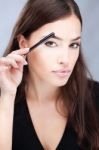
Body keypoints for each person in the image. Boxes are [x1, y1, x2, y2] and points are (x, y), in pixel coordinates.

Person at [0, 0, 99, 149]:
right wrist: (7, 96)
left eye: (74, 45)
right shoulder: (4, 97)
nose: (66, 59)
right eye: (51, 43)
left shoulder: (96, 97)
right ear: (23, 44)